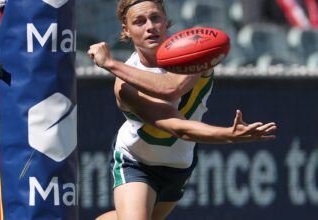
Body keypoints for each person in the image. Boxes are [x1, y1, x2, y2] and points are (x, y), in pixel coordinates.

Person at [87, 0, 277, 219]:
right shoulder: (124, 86)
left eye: (155, 17)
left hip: (178, 165)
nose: (150, 26)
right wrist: (228, 135)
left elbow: (171, 86)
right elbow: (177, 127)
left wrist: (110, 63)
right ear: (126, 30)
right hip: (136, 160)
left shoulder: (194, 53)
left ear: (166, 20)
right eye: (139, 21)